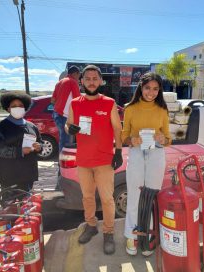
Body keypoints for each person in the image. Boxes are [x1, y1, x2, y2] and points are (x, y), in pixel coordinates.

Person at [65, 65, 123, 255]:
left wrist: (119, 151)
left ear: (100, 81)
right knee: (87, 197)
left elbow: (117, 129)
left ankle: (108, 232)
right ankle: (91, 225)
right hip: (83, 161)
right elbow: (68, 125)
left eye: (94, 78)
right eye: (87, 78)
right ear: (81, 81)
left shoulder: (109, 103)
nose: (91, 82)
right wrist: (69, 129)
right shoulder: (75, 103)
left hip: (104, 160)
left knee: (107, 199)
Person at [121, 72, 171, 256]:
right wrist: (130, 140)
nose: (151, 92)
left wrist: (162, 138)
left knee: (150, 196)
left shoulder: (162, 109)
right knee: (134, 195)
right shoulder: (130, 108)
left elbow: (168, 138)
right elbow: (124, 135)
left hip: (156, 153)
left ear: (159, 90)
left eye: (155, 89)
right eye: (148, 88)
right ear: (141, 88)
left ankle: (148, 233)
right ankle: (131, 235)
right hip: (136, 153)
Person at [0, 92, 43, 198]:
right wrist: (20, 151)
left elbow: (40, 142)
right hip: (9, 174)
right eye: (14, 106)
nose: (17, 108)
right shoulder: (1, 127)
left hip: (28, 173)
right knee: (10, 207)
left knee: (26, 206)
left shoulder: (31, 126)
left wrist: (39, 147)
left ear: (25, 107)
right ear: (8, 108)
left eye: (20, 106)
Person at [51, 65, 81, 152]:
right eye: (79, 75)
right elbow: (78, 100)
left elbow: (53, 100)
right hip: (65, 116)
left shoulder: (59, 82)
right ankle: (64, 163)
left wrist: (60, 104)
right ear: (75, 73)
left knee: (63, 139)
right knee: (67, 142)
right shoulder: (73, 82)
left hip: (57, 114)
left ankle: (62, 162)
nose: (79, 78)